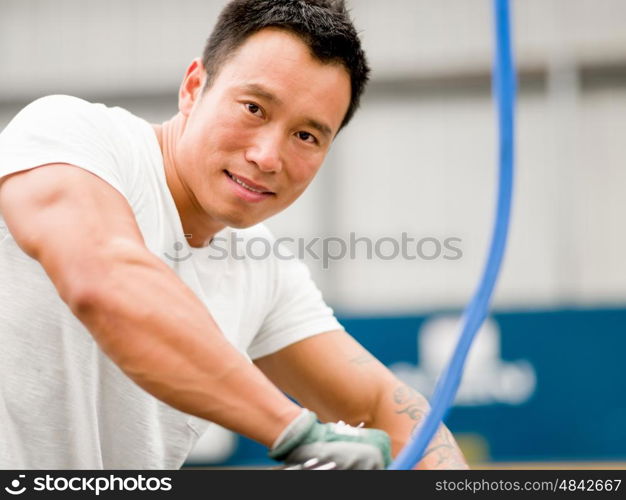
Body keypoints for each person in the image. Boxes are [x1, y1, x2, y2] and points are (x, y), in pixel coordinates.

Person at [0, 0, 468, 470]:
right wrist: (297, 433)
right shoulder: (70, 136)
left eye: (307, 136)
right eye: (254, 108)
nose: (268, 156)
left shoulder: (263, 269)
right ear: (193, 87)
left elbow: (385, 408)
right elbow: (107, 282)